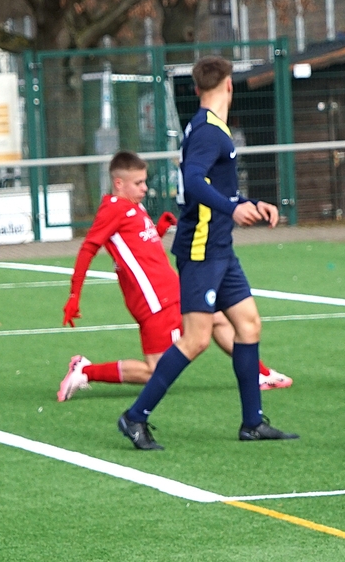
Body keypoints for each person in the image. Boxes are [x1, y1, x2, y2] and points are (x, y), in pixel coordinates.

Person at [117, 56, 297, 450]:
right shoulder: (208, 131)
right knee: (196, 339)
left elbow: (216, 185)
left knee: (248, 325)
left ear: (197, 88)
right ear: (228, 86)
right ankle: (135, 417)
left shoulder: (209, 126)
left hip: (219, 247)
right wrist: (232, 208)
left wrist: (249, 203)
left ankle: (252, 423)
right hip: (201, 249)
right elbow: (194, 180)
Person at [57, 151, 292, 402]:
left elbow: (138, 248)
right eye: (138, 183)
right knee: (156, 370)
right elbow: (88, 248)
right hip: (154, 302)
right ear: (119, 183)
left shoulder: (134, 206)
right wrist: (74, 295)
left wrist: (158, 229)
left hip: (172, 290)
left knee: (219, 320)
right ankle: (86, 371)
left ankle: (260, 374)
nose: (145, 188)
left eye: (144, 181)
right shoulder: (113, 209)